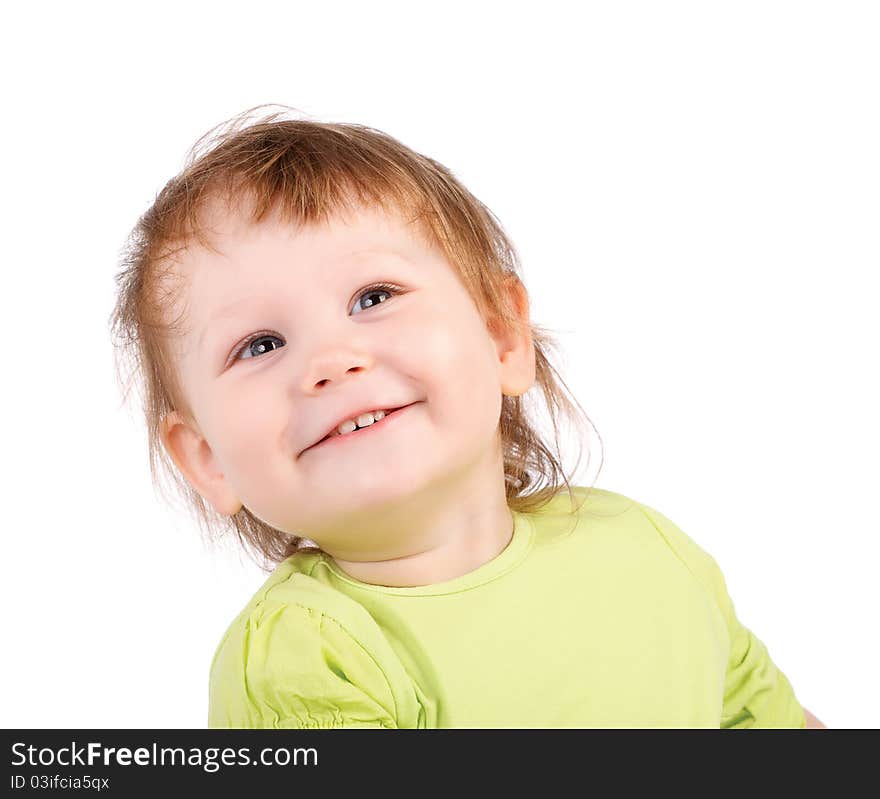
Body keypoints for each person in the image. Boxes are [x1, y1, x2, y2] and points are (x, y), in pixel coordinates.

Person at [110, 105, 825, 729]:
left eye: (374, 296)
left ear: (502, 337)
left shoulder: (646, 548)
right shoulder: (309, 654)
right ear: (207, 458)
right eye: (260, 345)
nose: (330, 360)